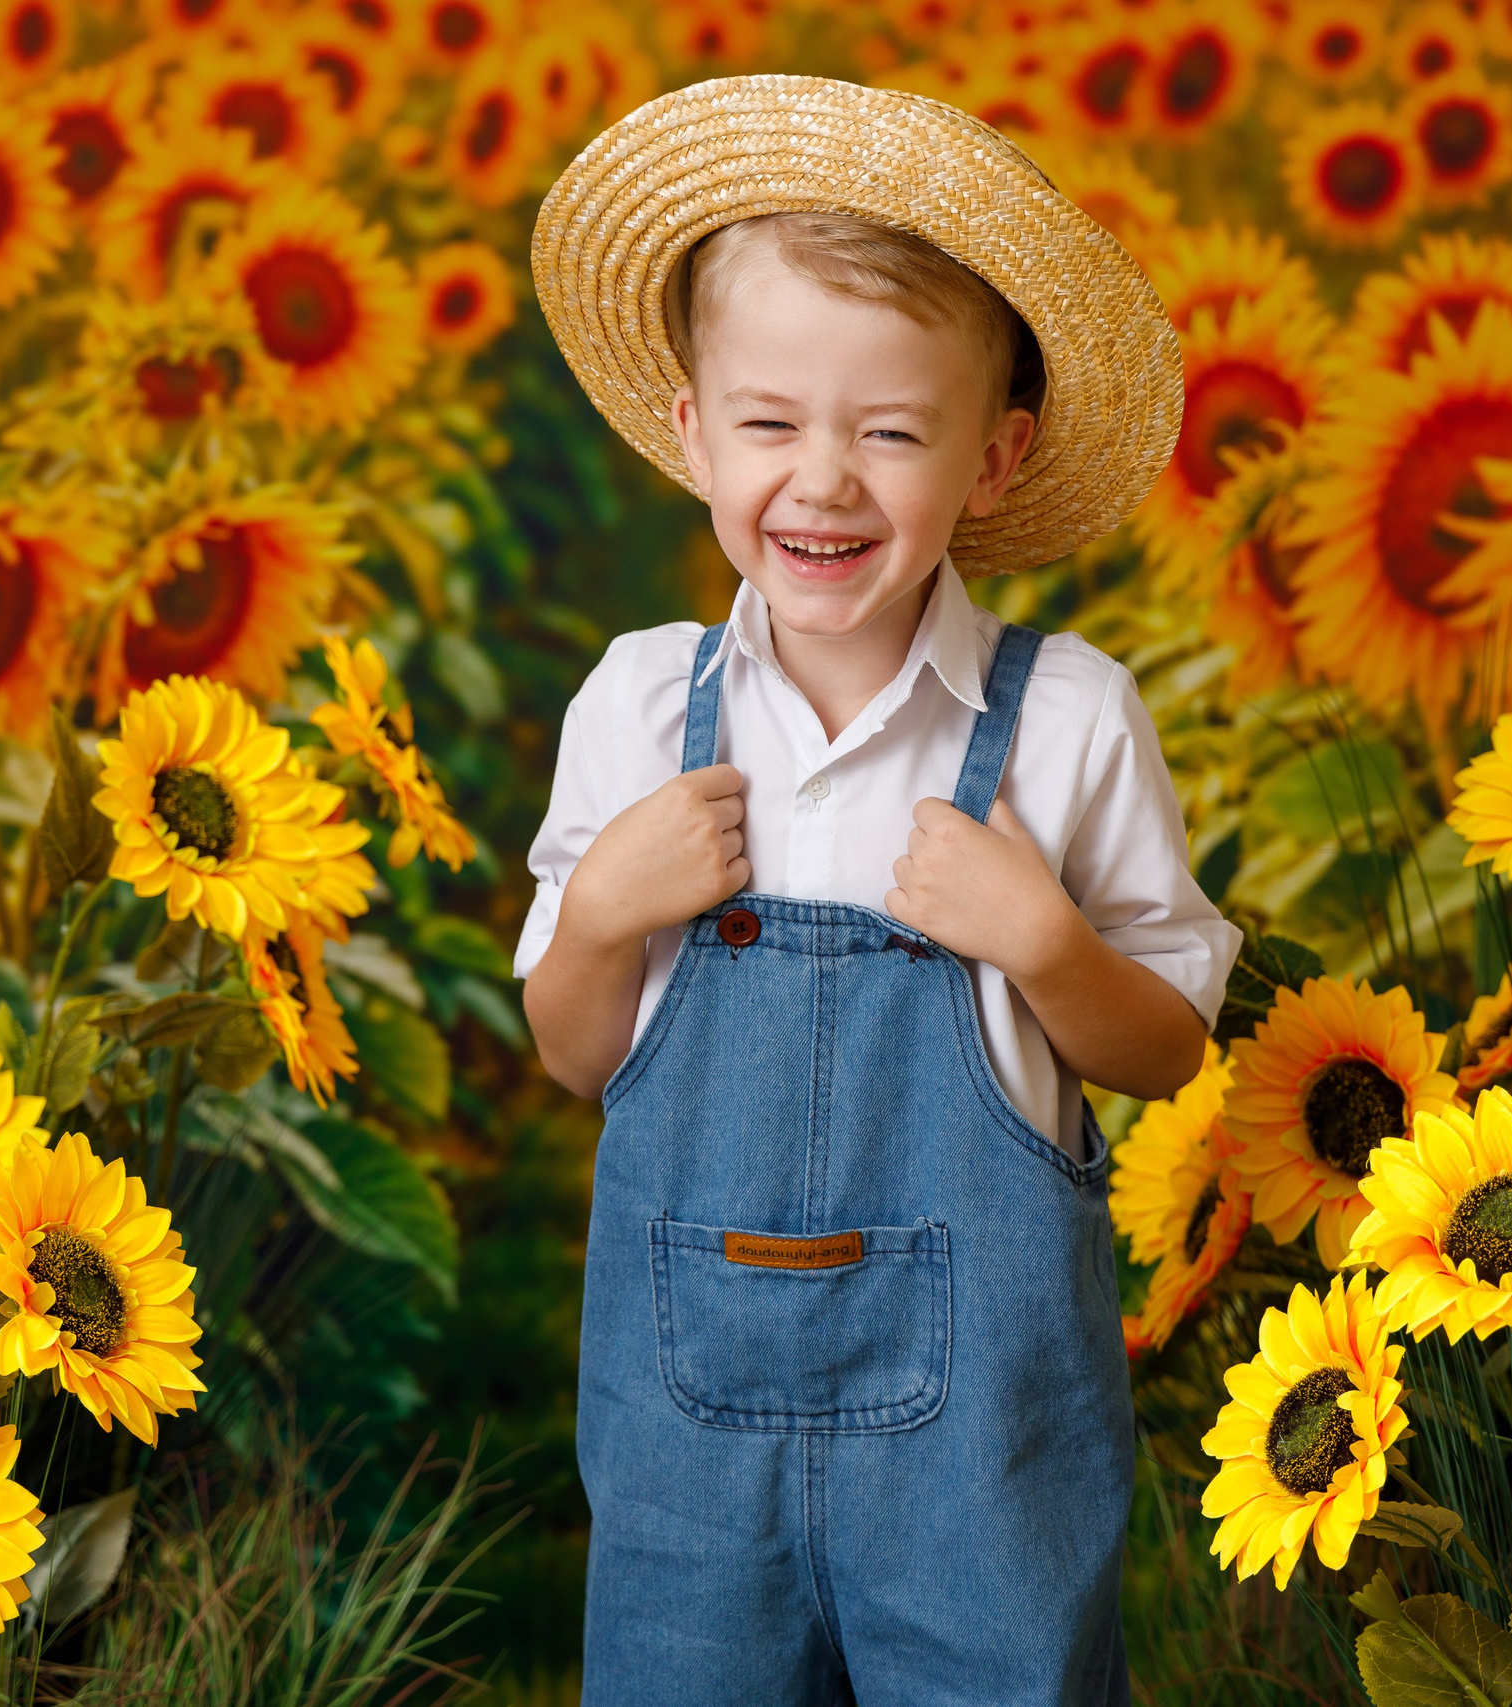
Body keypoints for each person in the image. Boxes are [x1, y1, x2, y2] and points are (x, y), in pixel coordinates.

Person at [516, 74, 1241, 1706]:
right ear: (693, 431)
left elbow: (1165, 1050)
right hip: (687, 1456)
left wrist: (1047, 944)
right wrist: (605, 913)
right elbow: (576, 1054)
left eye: (893, 432)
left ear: (995, 457)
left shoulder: (1068, 721)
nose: (825, 482)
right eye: (770, 423)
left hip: (990, 1453)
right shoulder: (639, 706)